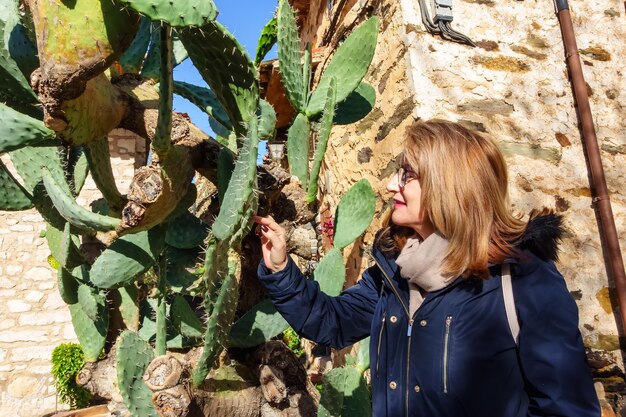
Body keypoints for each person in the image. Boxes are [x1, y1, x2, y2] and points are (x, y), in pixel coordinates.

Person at [253, 120, 600, 417]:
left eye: (407, 175)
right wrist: (282, 270)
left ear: (449, 186)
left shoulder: (523, 281)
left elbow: (566, 408)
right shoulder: (395, 273)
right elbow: (333, 322)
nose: (391, 186)